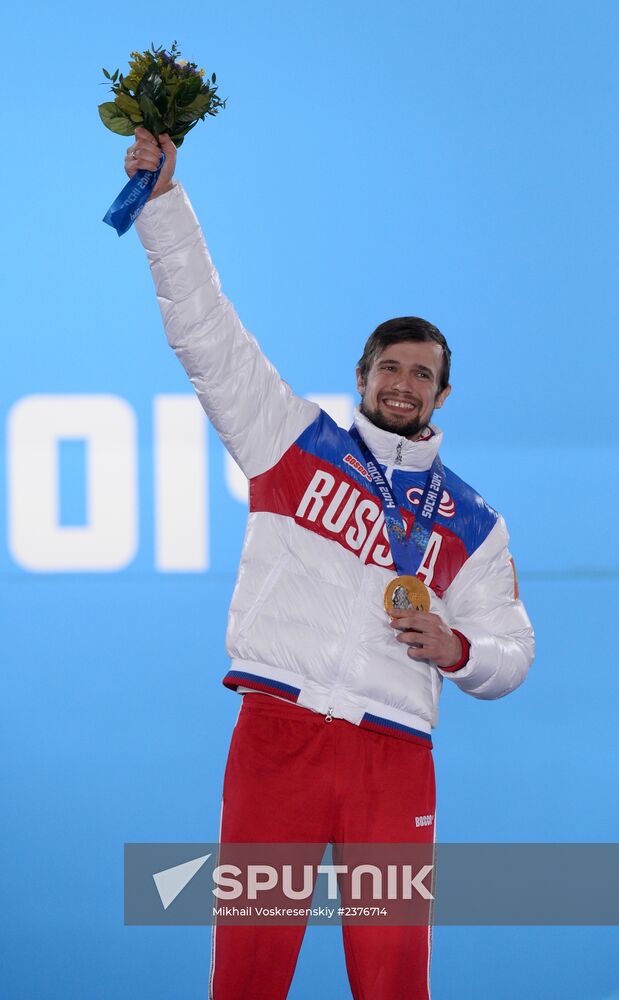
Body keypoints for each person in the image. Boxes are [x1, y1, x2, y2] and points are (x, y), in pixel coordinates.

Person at [126, 128, 535, 999]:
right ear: (361, 376)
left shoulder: (473, 521)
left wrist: (457, 649)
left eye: (421, 374)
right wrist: (163, 203)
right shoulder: (289, 441)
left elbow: (512, 654)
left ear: (441, 394)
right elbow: (206, 331)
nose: (403, 383)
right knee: (247, 976)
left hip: (393, 755)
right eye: (389, 366)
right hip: (280, 731)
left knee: (393, 984)